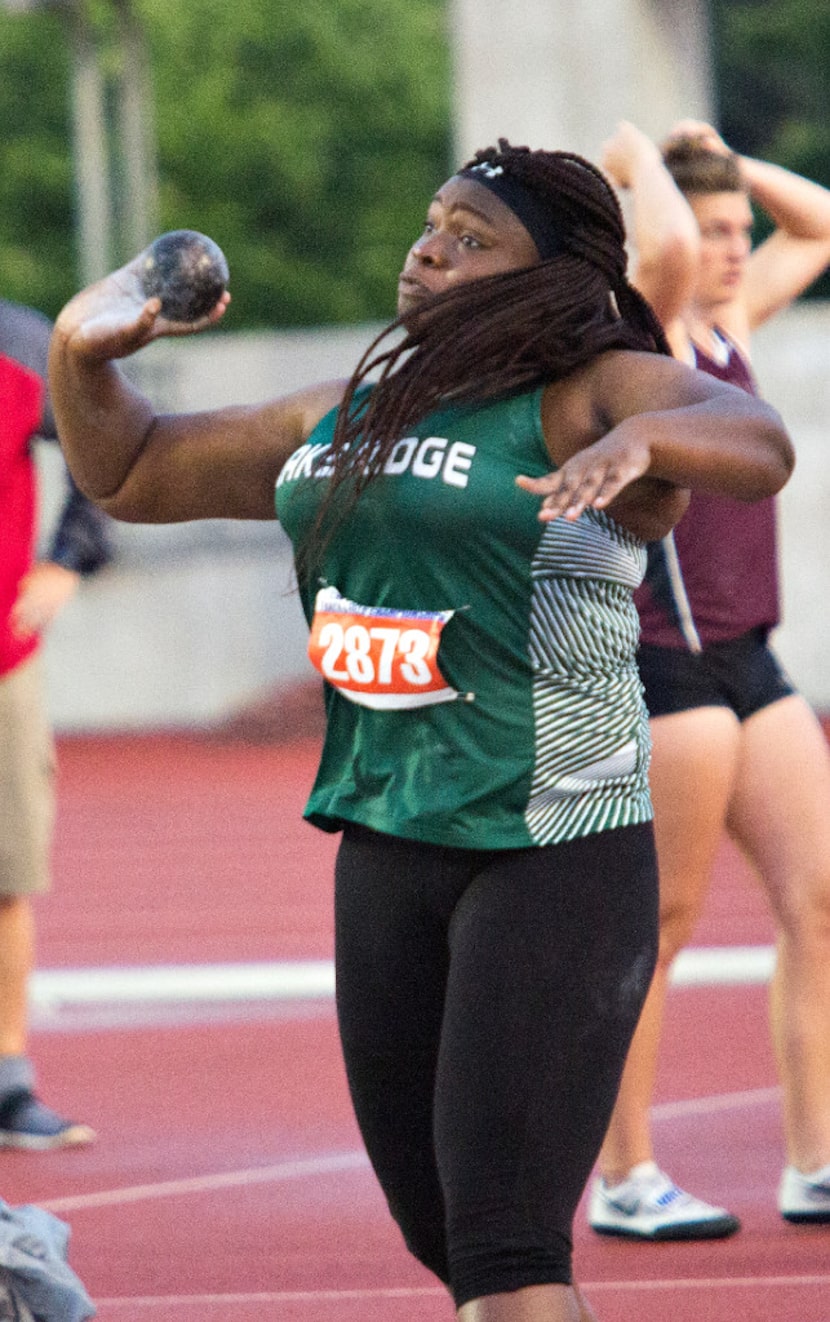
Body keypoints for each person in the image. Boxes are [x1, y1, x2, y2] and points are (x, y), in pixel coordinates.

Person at [49, 140, 793, 1322]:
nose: (429, 245)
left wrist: (639, 442)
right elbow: (133, 468)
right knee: (446, 1233)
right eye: (432, 221)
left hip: (549, 846)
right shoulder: (347, 409)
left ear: (543, 276)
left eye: (470, 235)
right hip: (386, 840)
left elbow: (754, 441)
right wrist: (80, 353)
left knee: (503, 1242)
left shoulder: (587, 389)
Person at [588, 119, 830, 1240]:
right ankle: (625, 1171)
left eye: (741, 230)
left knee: (817, 899)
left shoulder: (730, 323)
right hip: (664, 663)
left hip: (751, 658)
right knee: (663, 922)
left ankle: (812, 1159)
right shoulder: (636, 332)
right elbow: (668, 252)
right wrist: (632, 160)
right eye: (717, 229)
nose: (733, 248)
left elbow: (818, 225)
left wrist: (723, 155)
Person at [1, 296, 111, 1149]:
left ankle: (6, 1082)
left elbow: (102, 443)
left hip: (3, 662)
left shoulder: (21, 343)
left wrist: (69, 558)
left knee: (6, 875)